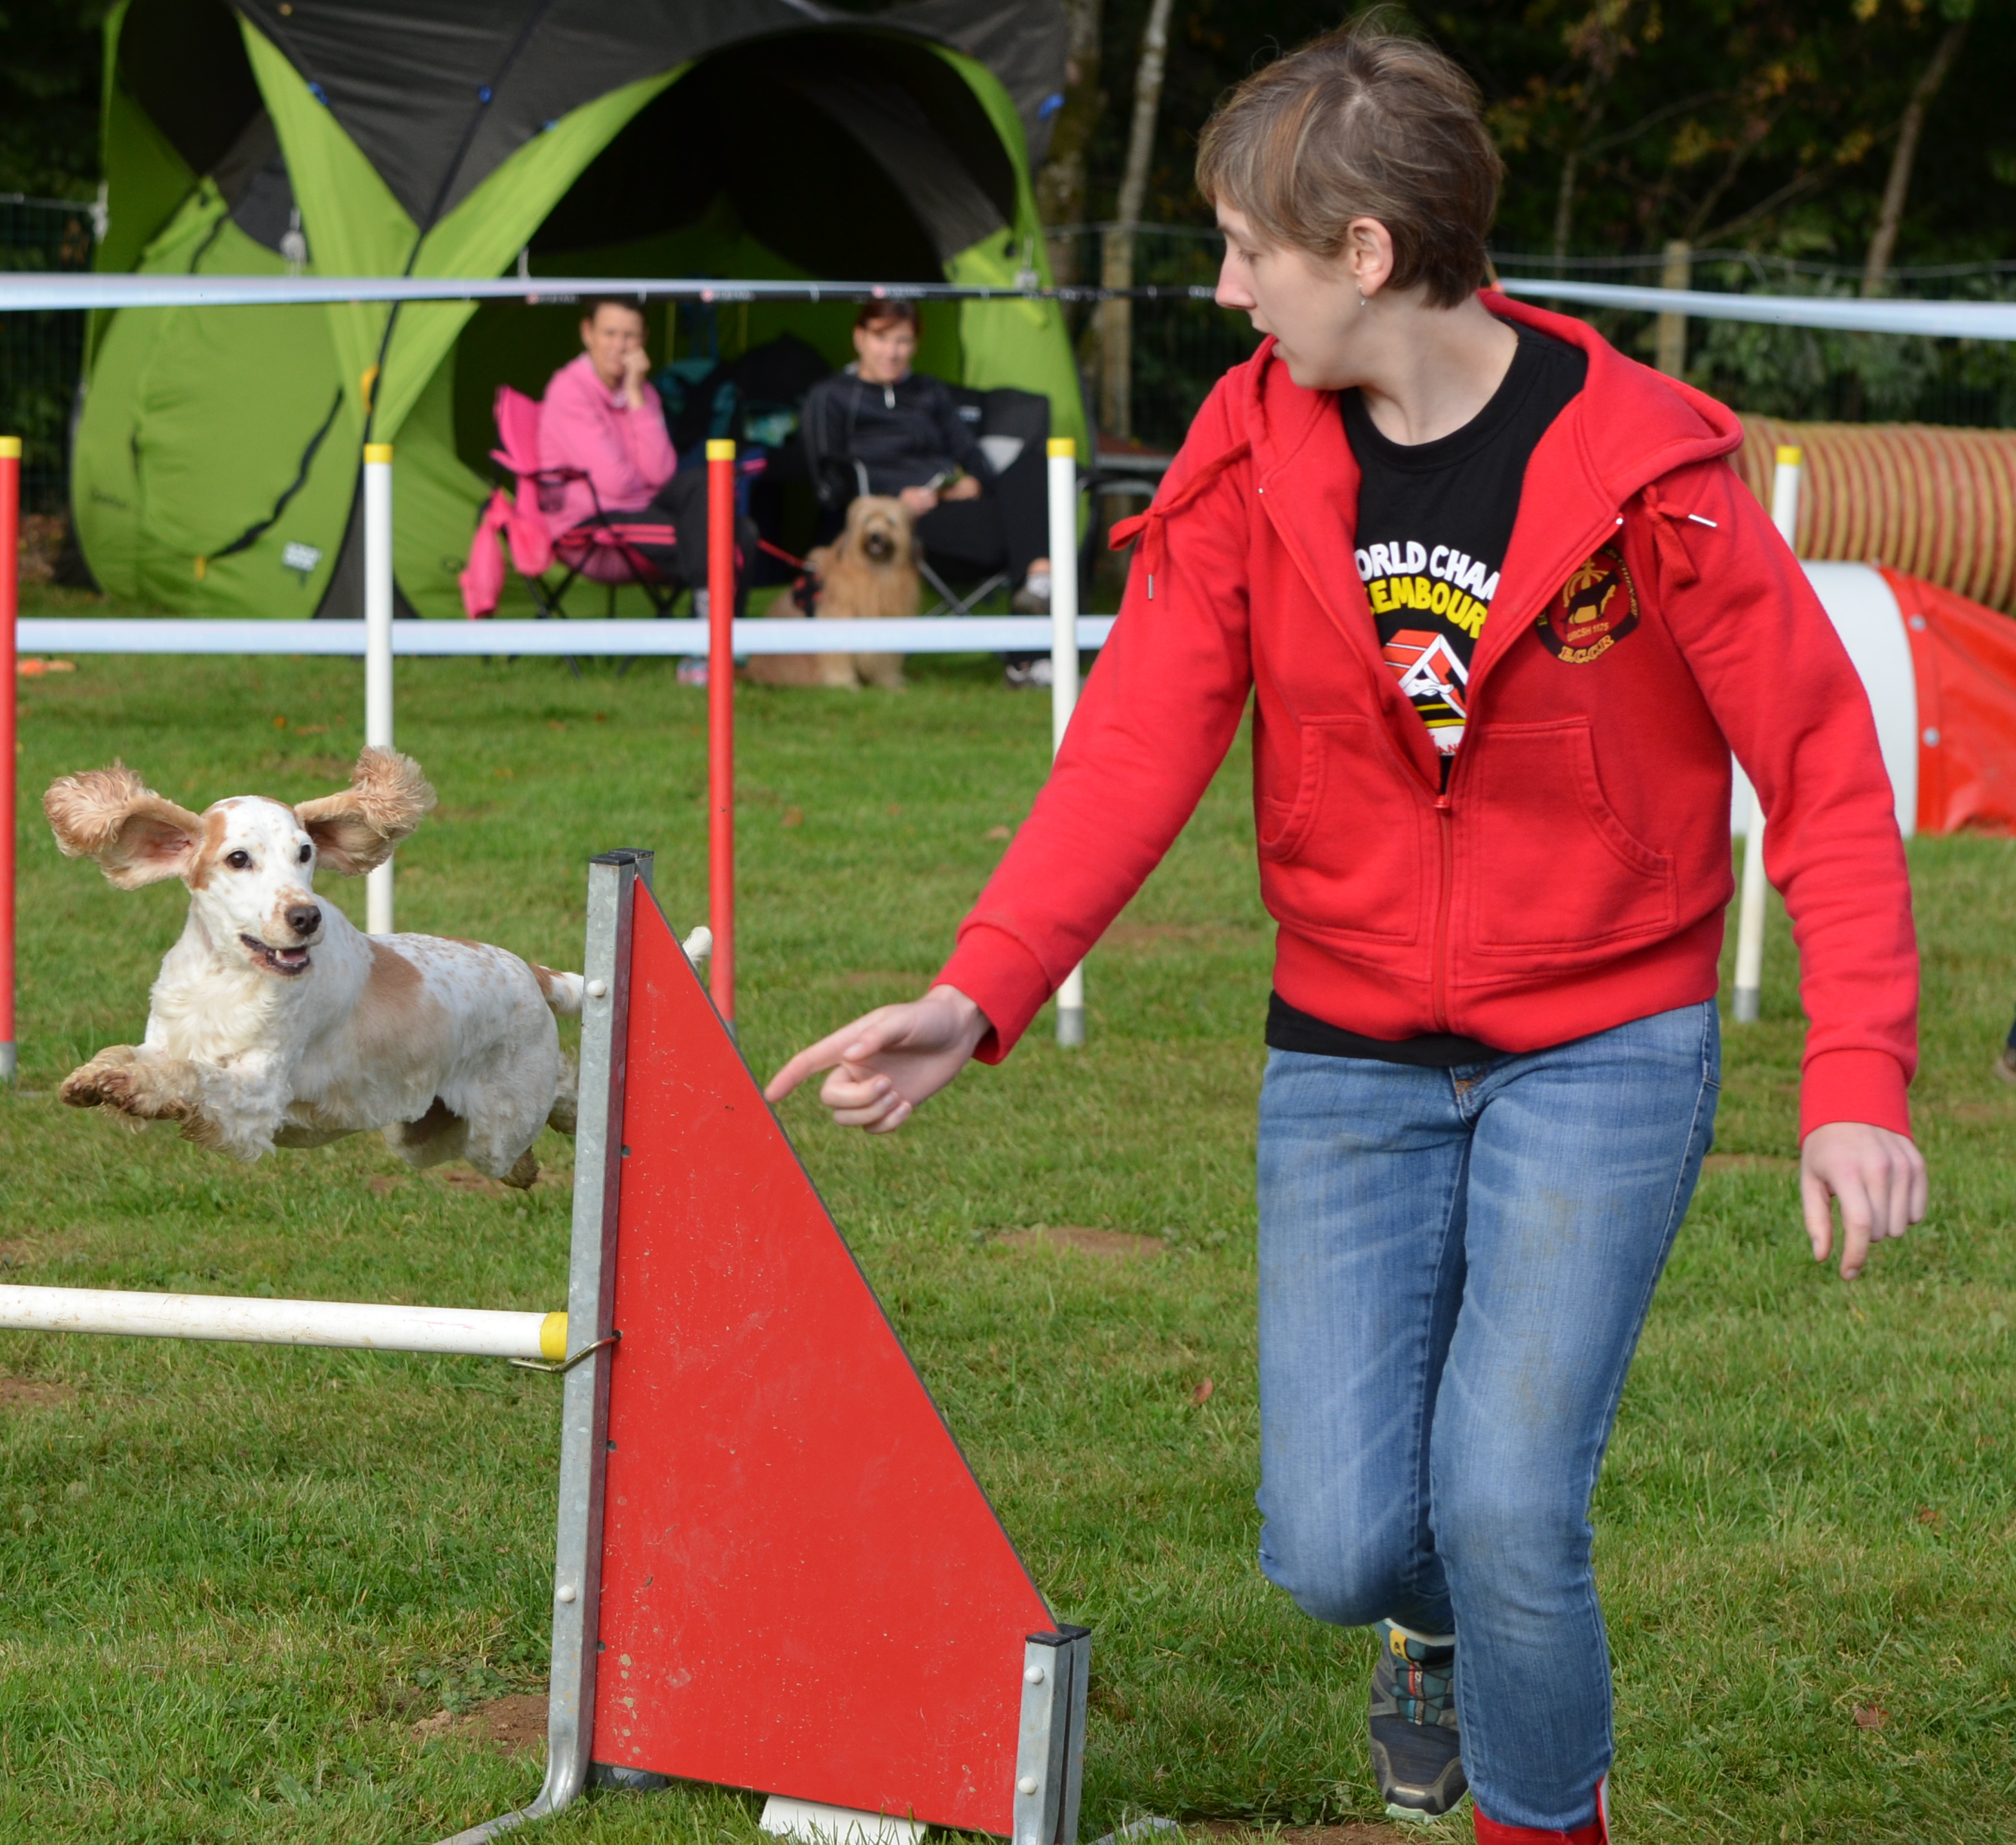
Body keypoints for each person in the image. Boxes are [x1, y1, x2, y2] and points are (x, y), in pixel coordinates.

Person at [766, 28, 1922, 1845]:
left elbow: (1828, 774)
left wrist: (1855, 1073)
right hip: (1349, 1053)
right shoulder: (1247, 450)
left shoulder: (1653, 469)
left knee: (1513, 1503)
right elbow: (1135, 745)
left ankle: (1542, 1814)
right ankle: (1429, 1631)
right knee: (1336, 1544)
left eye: (1249, 251)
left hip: (1604, 1046)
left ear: (1368, 253)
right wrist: (980, 988)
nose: (1228, 292)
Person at [800, 298, 1052, 595]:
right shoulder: (831, 395)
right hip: (897, 522)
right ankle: (1042, 585)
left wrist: (972, 482)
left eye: (903, 341)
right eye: (881, 339)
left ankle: (1039, 581)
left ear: (916, 345)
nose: (892, 353)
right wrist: (896, 499)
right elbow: (830, 482)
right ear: (860, 338)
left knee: (1034, 466)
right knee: (1031, 529)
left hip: (954, 504)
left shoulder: (930, 391)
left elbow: (972, 455)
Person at [534, 296, 751, 601]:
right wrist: (660, 499)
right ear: (587, 333)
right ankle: (711, 623)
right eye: (609, 333)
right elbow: (614, 485)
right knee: (717, 537)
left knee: (727, 512)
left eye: (630, 336)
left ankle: (710, 625)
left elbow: (661, 474)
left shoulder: (643, 390)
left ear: (644, 339)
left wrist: (636, 395)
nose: (619, 346)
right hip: (589, 525)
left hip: (639, 512)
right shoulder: (569, 390)